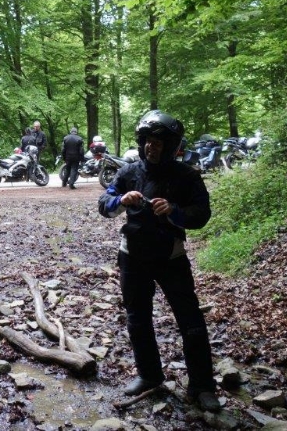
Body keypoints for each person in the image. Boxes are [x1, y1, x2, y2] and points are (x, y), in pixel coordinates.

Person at [98, 110, 220, 412]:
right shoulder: (129, 172)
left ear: (171, 147)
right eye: (147, 142)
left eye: (158, 143)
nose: (151, 147)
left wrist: (174, 211)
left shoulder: (187, 176)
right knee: (138, 319)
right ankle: (149, 375)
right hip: (132, 256)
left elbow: (201, 214)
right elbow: (104, 204)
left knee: (191, 322)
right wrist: (120, 201)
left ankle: (202, 386)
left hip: (171, 257)